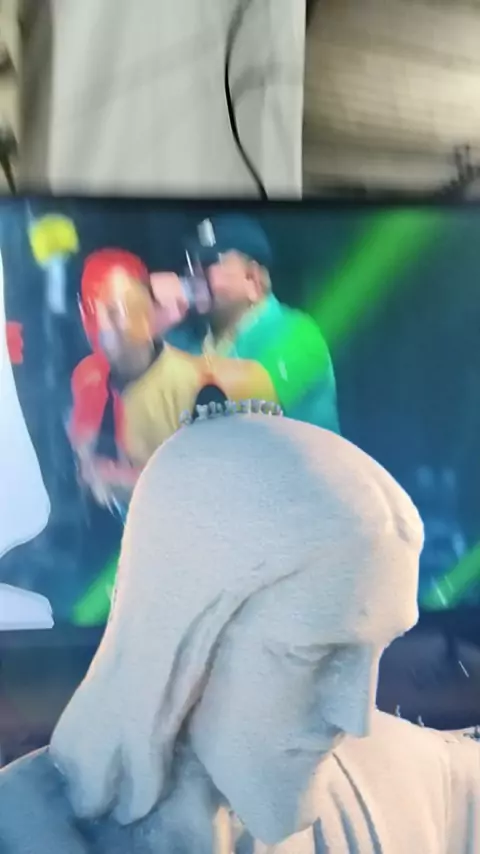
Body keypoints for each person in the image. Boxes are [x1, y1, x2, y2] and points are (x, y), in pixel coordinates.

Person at [0, 406, 478, 852]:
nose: (356, 719)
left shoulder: (408, 784)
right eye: (313, 655)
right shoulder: (20, 833)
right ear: (182, 639)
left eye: (379, 650)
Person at [69, 248, 278, 506]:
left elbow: (227, 497)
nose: (101, 324)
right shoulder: (87, 380)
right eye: (90, 310)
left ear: (147, 311)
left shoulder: (211, 385)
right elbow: (82, 465)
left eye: (114, 311)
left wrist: (129, 484)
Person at [153, 213, 341, 434]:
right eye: (191, 261)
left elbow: (246, 395)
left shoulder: (298, 335)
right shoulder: (187, 339)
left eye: (209, 262)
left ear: (251, 277)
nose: (193, 272)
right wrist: (151, 320)